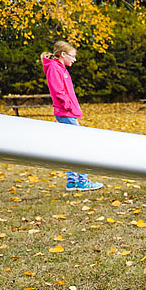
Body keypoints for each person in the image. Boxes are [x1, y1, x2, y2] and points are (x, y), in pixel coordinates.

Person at [41, 41, 103, 192]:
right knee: (79, 145)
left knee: (71, 145)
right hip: (65, 112)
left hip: (68, 112)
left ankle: (72, 181)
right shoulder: (55, 68)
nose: (74, 59)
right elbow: (58, 91)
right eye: (72, 56)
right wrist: (68, 106)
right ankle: (81, 181)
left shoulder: (60, 68)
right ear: (63, 54)